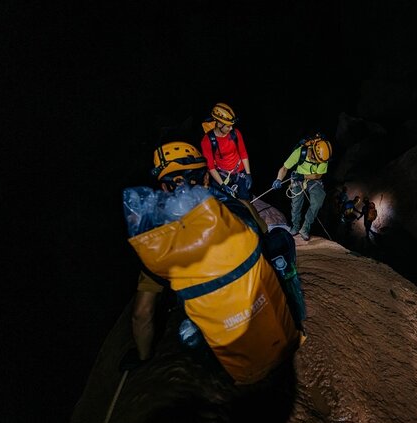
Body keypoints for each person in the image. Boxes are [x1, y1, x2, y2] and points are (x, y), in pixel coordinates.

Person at [121, 140, 302, 384]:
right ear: (206, 179)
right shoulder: (234, 207)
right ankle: (288, 304)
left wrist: (143, 357)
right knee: (280, 240)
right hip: (278, 334)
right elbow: (261, 231)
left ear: (163, 188)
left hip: (229, 358)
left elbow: (142, 314)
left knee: (188, 330)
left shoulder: (159, 245)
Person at [271, 134, 332, 241]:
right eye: (315, 159)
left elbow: (318, 175)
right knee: (296, 204)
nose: (317, 162)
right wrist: (278, 179)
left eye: (319, 162)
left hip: (313, 179)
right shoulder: (300, 152)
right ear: (311, 150)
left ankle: (305, 228)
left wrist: (304, 176)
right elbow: (284, 168)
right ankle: (295, 226)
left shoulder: (323, 157)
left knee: (318, 201)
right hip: (297, 177)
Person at [200, 102, 253, 200]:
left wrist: (248, 174)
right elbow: (211, 167)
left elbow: (243, 154)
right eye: (228, 126)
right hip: (222, 173)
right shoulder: (207, 141)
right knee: (227, 200)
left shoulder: (235, 134)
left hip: (239, 170)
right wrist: (222, 185)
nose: (231, 128)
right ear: (219, 123)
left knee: (245, 198)